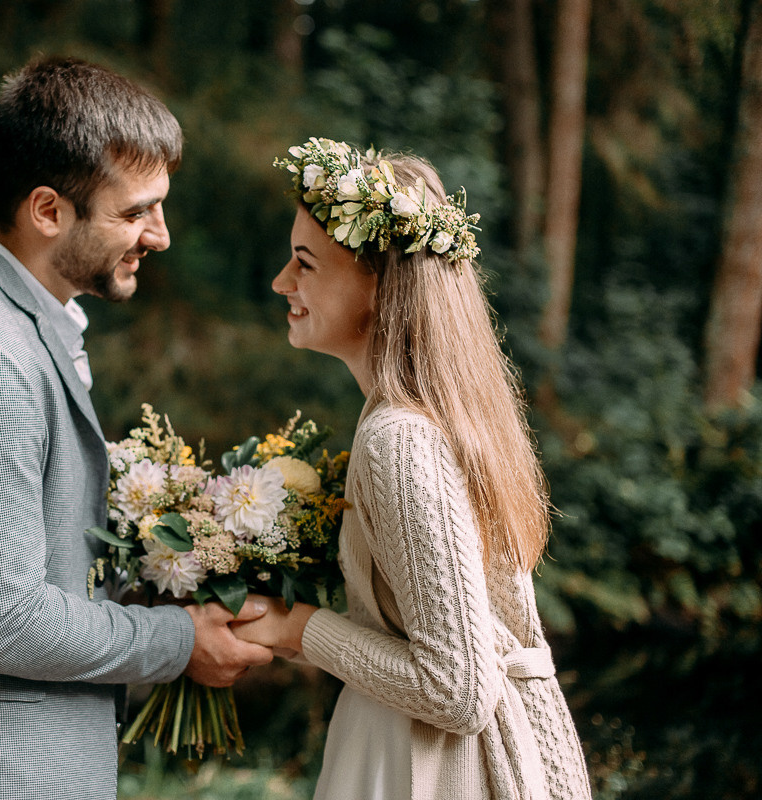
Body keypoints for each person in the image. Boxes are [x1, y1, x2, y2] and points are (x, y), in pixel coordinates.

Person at [0, 56, 273, 800]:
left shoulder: (25, 324)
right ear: (48, 210)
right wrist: (177, 641)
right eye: (134, 213)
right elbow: (2, 622)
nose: (160, 236)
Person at [231, 138, 592, 799]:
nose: (282, 281)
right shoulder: (435, 418)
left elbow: (457, 690)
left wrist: (300, 627)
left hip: (431, 769)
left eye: (304, 263)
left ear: (376, 282)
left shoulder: (399, 439)